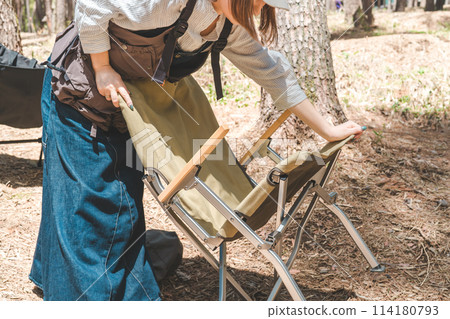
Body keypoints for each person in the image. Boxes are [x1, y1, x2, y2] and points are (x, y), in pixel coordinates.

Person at [30, 0, 364, 301]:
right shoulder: (163, 3)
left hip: (127, 107)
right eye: (260, 1)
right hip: (77, 96)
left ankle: (55, 279)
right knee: (96, 205)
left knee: (92, 204)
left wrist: (328, 129)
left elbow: (276, 75)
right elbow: (92, 3)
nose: (262, 11)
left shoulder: (227, 26)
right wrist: (102, 67)